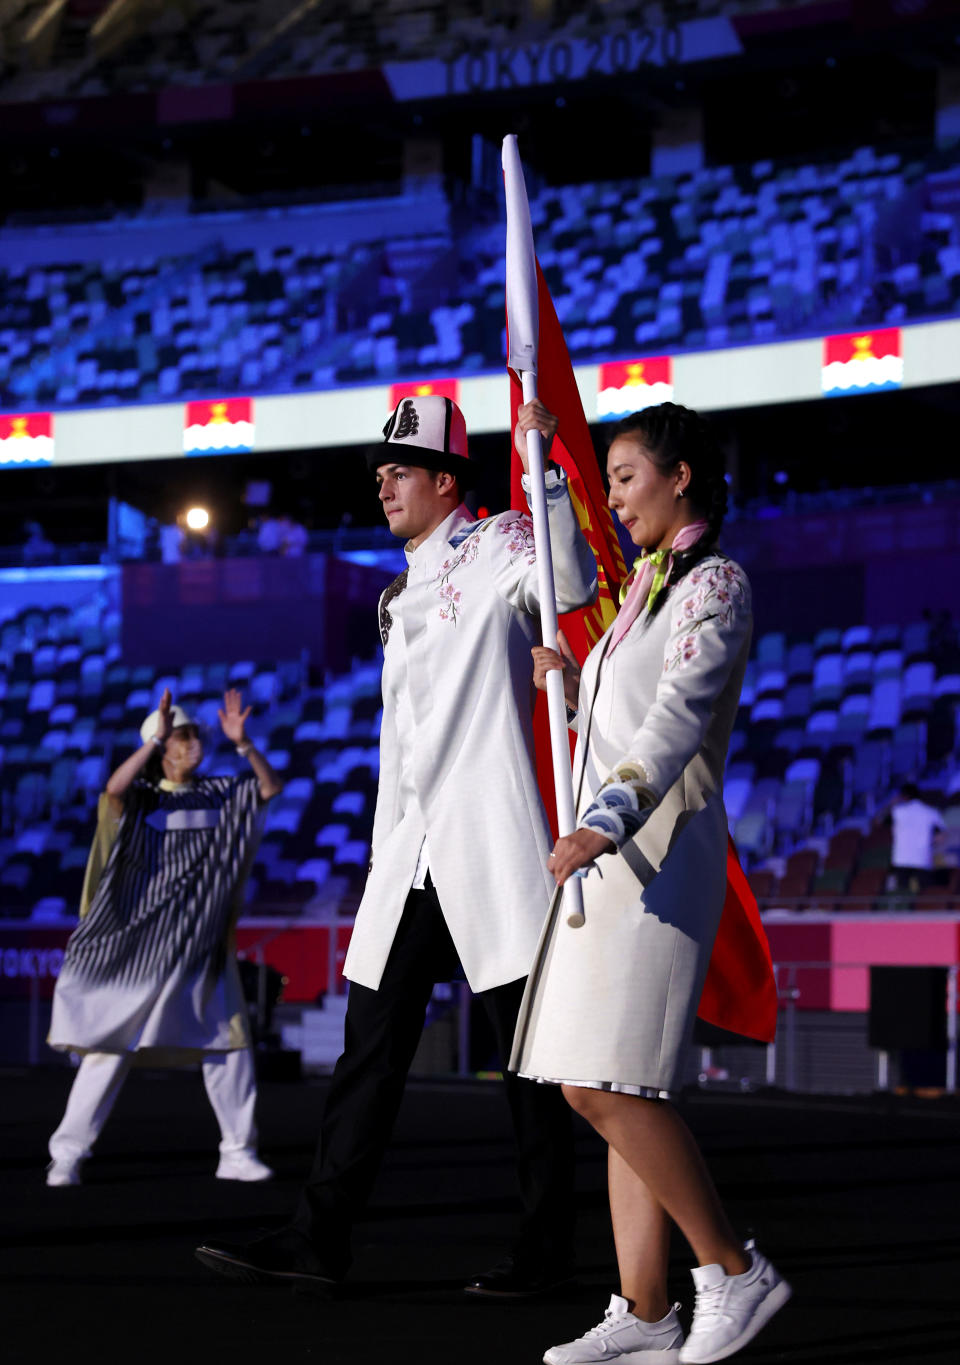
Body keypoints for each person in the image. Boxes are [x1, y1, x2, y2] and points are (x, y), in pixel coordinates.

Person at [195, 391, 598, 1296]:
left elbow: (565, 588)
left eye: (399, 472)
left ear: (447, 480)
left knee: (530, 1067)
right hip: (411, 855)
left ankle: (544, 1254)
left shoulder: (499, 542)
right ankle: (318, 1238)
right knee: (367, 1056)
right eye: (379, 474)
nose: (383, 487)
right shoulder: (392, 593)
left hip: (492, 850)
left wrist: (553, 480)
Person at [511, 402, 791, 1365]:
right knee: (607, 1078)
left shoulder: (714, 587)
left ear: (680, 478)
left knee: (600, 1084)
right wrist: (543, 470)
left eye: (626, 478)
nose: (618, 498)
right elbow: (613, 687)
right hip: (613, 858)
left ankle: (733, 1268)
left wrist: (604, 820)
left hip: (659, 857)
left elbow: (673, 724)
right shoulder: (643, 590)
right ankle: (645, 1306)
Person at [46, 688, 283, 1186]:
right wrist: (152, 744)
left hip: (197, 945)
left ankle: (237, 1152)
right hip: (134, 949)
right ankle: (68, 1153)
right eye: (180, 736)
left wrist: (244, 746)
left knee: (228, 1045)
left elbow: (267, 789)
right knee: (109, 1049)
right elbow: (113, 789)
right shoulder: (138, 799)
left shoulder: (219, 792)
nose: (192, 742)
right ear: (159, 745)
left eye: (195, 734)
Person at [887, 782, 944, 895]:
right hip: (922, 857)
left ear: (903, 796)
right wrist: (930, 842)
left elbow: (876, 823)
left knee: (902, 893)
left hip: (901, 858)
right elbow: (942, 835)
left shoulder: (897, 811)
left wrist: (891, 803)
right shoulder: (930, 811)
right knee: (925, 894)